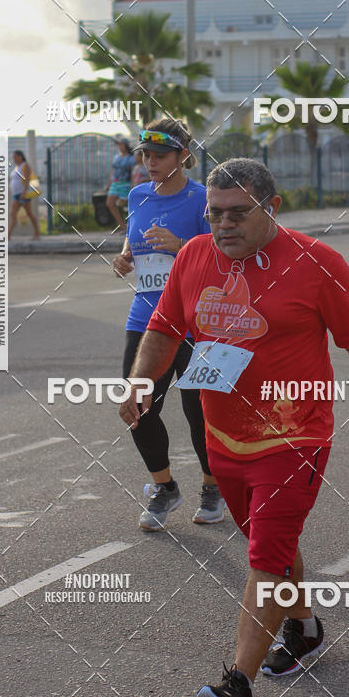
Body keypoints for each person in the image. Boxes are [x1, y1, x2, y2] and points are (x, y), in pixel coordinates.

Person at [119, 158, 349, 697]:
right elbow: (163, 328)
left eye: (238, 213)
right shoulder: (193, 256)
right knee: (268, 544)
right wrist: (140, 382)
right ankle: (303, 627)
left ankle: (237, 684)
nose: (223, 225)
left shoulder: (318, 263)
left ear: (272, 209)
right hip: (224, 437)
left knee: (265, 554)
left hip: (295, 436)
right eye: (214, 214)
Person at [112, 118, 226, 531]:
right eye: (145, 155)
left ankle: (212, 488)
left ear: (183, 156)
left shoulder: (203, 199)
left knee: (200, 413)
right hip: (145, 318)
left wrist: (181, 248)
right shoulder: (138, 195)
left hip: (195, 322)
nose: (149, 162)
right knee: (136, 408)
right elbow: (133, 237)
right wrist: (125, 256)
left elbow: (222, 258)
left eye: (159, 156)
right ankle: (165, 487)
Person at [8, 150, 40, 240]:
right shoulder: (17, 167)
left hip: (22, 194)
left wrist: (24, 192)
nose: (13, 159)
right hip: (16, 194)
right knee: (13, 214)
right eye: (13, 158)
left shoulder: (25, 165)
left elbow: (27, 179)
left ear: (20, 156)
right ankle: (8, 236)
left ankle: (37, 233)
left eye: (15, 157)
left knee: (28, 214)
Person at [106, 139, 135, 231]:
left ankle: (131, 225)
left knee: (126, 205)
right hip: (116, 183)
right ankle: (122, 226)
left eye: (121, 144)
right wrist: (109, 184)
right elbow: (113, 171)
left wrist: (133, 184)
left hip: (126, 183)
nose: (120, 146)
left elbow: (133, 172)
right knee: (110, 203)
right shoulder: (116, 157)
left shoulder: (131, 158)